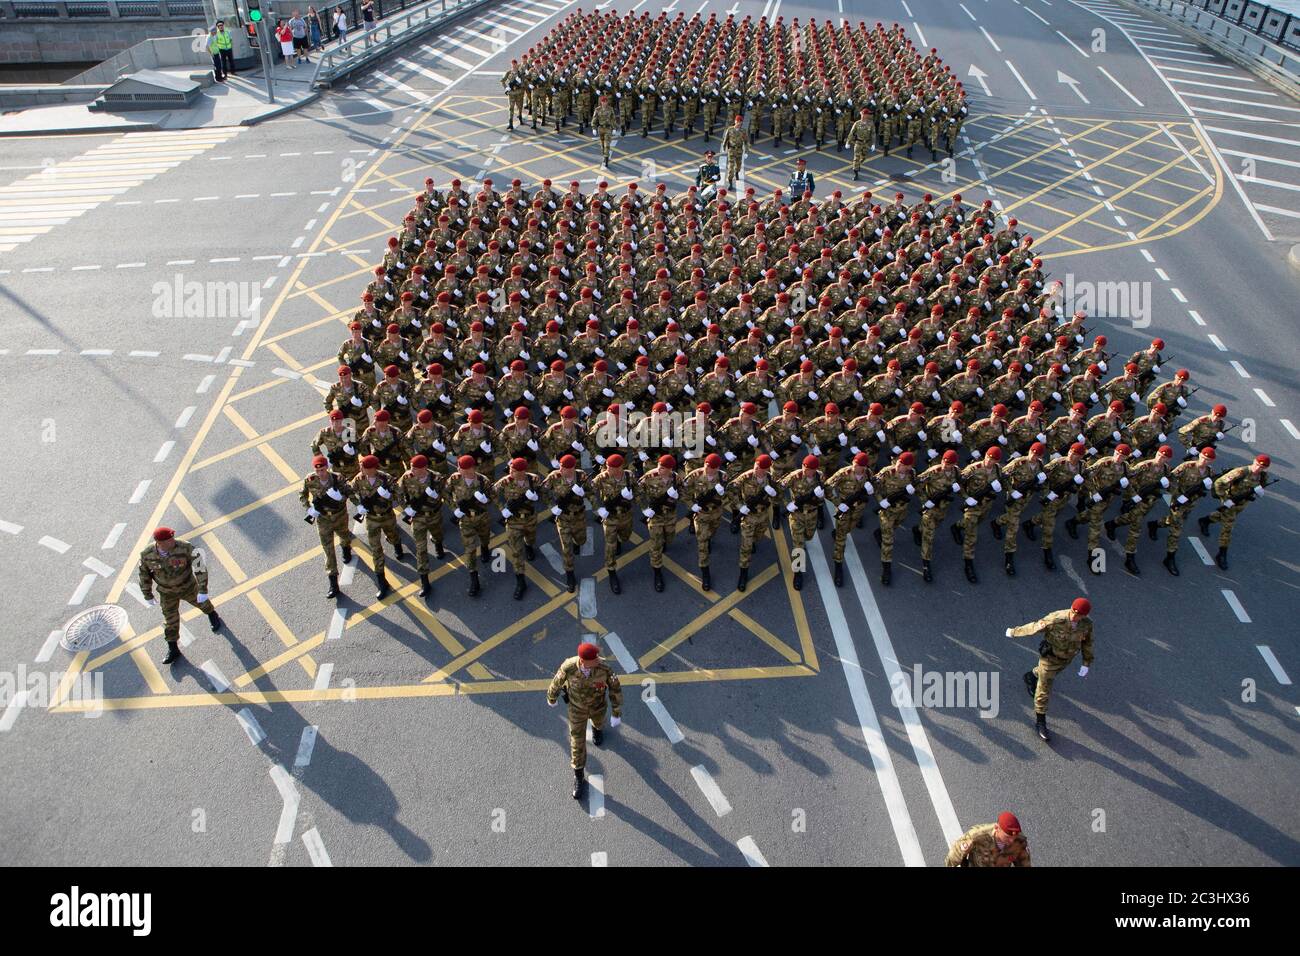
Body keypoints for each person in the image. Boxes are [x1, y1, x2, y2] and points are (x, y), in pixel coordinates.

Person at [1007, 597, 1094, 742]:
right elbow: (1035, 627)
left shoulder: (1086, 624)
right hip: (1049, 659)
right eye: (1073, 612)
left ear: (1084, 616)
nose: (1074, 616)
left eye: (1078, 615)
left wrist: (1086, 662)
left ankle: (1032, 676)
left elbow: (1088, 643)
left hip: (1066, 660)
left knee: (1043, 675)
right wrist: (1014, 632)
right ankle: (1040, 721)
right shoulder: (1056, 618)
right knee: (1044, 689)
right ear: (1071, 608)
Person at [547, 642, 623, 800]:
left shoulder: (605, 669)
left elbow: (615, 690)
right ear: (583, 661)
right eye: (594, 659)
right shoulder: (569, 667)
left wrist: (616, 712)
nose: (598, 661)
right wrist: (551, 697)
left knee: (598, 723)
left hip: (598, 707)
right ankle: (578, 776)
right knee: (577, 743)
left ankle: (597, 730)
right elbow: (556, 682)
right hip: (576, 710)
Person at [138, 527, 222, 666]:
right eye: (169, 539)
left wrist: (202, 589)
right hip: (167, 593)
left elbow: (199, 567)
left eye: (172, 538)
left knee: (203, 604)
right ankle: (173, 648)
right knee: (170, 621)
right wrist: (147, 594)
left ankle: (212, 615)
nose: (172, 541)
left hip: (188, 587)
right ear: (159, 542)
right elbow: (144, 575)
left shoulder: (185, 547)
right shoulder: (147, 554)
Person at [945, 812, 1031, 867]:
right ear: (997, 828)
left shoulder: (1019, 841)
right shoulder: (978, 835)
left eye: (1014, 838)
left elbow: (1024, 862)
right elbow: (952, 857)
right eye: (1007, 837)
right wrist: (962, 851)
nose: (1011, 841)